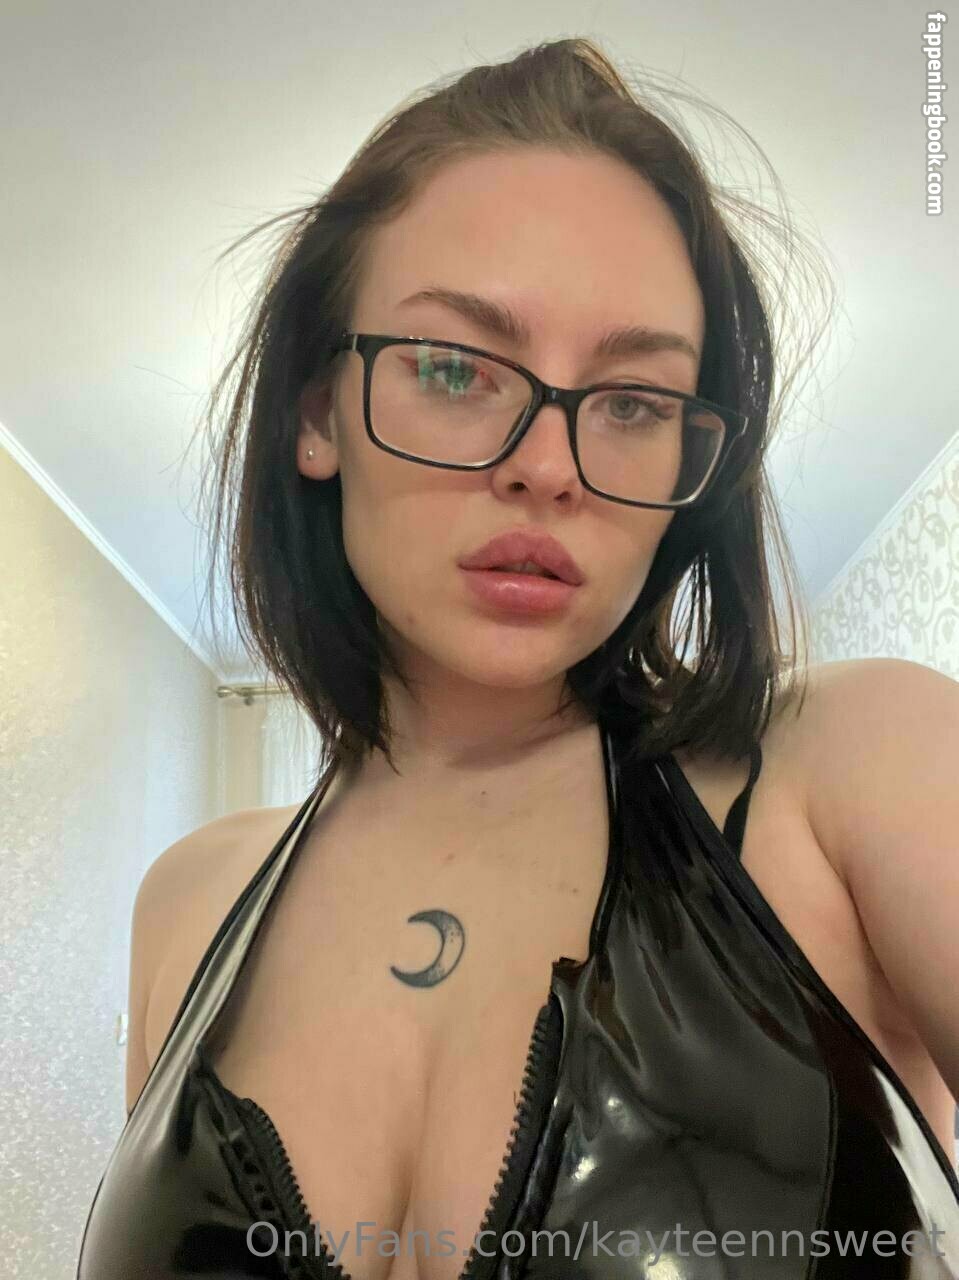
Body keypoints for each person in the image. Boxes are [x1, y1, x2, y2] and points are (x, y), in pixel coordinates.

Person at [76, 35, 959, 1280]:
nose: (546, 466)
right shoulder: (187, 901)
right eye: (453, 368)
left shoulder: (865, 766)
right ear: (317, 413)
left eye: (633, 400)